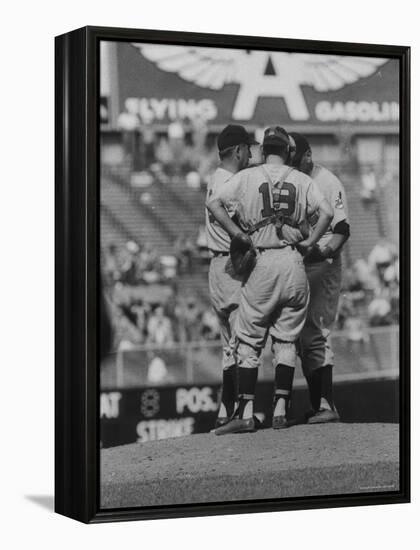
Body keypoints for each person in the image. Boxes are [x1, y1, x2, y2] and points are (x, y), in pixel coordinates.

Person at [207, 126, 333, 434]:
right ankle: (280, 409)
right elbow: (327, 212)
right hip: (294, 262)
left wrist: (237, 234)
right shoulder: (302, 179)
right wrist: (310, 242)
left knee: (249, 338)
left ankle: (245, 411)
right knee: (286, 338)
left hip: (263, 259)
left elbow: (214, 204)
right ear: (288, 152)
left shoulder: (248, 176)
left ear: (263, 150)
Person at [289, 132, 351, 423]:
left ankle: (327, 405)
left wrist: (322, 252)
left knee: (318, 330)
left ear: (308, 155)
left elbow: (342, 231)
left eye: (295, 158)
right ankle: (318, 404)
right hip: (304, 261)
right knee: (303, 338)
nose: (291, 163)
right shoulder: (295, 179)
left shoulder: (327, 181)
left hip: (324, 262)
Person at [205, 124, 257, 428]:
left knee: (229, 343)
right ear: (238, 151)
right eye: (248, 148)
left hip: (217, 265)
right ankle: (242, 413)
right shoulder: (231, 182)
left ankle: (226, 412)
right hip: (232, 266)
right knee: (242, 340)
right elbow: (244, 222)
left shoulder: (216, 178)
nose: (250, 152)